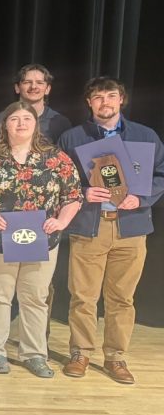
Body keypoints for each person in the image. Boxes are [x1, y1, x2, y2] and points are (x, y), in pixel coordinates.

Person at [59, 77, 164, 385]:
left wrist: (141, 198)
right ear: (89, 103)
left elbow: (160, 174)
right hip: (90, 225)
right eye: (97, 97)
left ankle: (116, 357)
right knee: (83, 296)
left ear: (122, 100)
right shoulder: (73, 137)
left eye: (111, 96)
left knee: (122, 298)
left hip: (131, 227)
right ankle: (80, 352)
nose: (105, 102)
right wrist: (82, 193)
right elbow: (58, 181)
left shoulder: (145, 136)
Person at [0, 102, 82, 377]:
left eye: (26, 118)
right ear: (4, 125)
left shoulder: (56, 158)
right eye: (14, 119)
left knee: (35, 298)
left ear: (36, 123)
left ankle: (34, 353)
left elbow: (73, 196)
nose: (20, 123)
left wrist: (62, 221)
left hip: (41, 240)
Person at [0, 64, 72, 143]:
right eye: (27, 82)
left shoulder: (61, 123)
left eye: (39, 82)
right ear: (17, 88)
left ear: (47, 89)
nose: (33, 87)